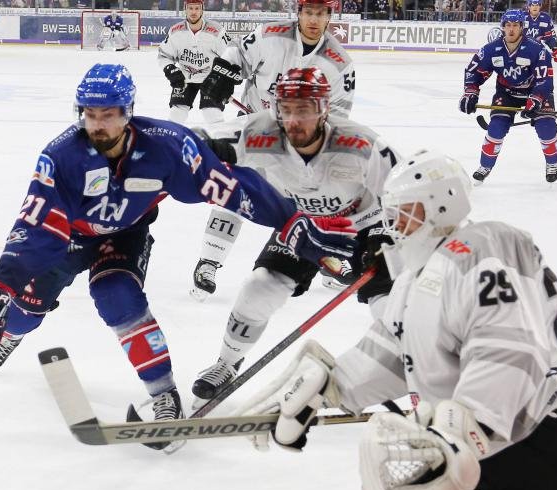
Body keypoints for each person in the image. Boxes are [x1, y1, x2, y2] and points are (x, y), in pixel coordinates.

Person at [240, 148, 557, 490]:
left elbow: (509, 347)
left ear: (441, 205)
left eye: (405, 211)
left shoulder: (482, 248)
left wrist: (468, 427)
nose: (394, 223)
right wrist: (331, 388)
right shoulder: (423, 271)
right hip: (533, 416)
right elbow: (393, 352)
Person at [0, 64, 356, 445]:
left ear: (127, 113)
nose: (98, 124)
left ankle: (163, 394)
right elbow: (36, 227)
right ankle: (14, 334)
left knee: (118, 298)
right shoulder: (61, 157)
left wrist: (291, 223)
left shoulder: (167, 145)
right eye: (89, 114)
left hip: (126, 235)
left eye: (108, 115)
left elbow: (230, 186)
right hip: (68, 237)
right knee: (25, 308)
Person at [187, 68, 399, 409]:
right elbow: (199, 141)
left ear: (324, 109)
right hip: (302, 224)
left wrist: (386, 235)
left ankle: (413, 373)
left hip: (361, 228)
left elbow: (402, 189)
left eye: (305, 109)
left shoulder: (360, 144)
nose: (294, 119)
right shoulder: (260, 131)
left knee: (391, 310)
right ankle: (227, 363)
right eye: (286, 108)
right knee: (259, 287)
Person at [190, 0, 356, 297]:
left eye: (320, 13)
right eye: (308, 12)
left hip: (300, 139)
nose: (313, 20)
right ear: (299, 13)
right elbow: (236, 54)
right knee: (235, 190)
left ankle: (326, 259)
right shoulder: (269, 36)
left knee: (316, 198)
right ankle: (209, 261)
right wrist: (221, 78)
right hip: (254, 126)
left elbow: (339, 116)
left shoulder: (339, 63)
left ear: (330, 16)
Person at [459, 9, 557, 184]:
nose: (511, 29)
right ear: (503, 27)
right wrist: (470, 92)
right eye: (508, 25)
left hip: (536, 92)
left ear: (522, 27)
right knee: (496, 128)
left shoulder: (537, 50)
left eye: (515, 25)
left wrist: (536, 99)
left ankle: (552, 163)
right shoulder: (491, 49)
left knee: (547, 128)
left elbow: (545, 79)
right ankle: (485, 166)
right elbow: (474, 71)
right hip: (506, 93)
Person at [157, 0, 232, 125]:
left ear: (202, 10)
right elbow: (164, 55)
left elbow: (230, 56)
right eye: (190, 8)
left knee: (212, 113)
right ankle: (171, 142)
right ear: (185, 9)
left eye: (197, 8)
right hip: (185, 78)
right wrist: (170, 69)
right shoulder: (175, 31)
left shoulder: (217, 31)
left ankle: (221, 141)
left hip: (210, 78)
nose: (193, 12)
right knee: (177, 114)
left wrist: (226, 81)